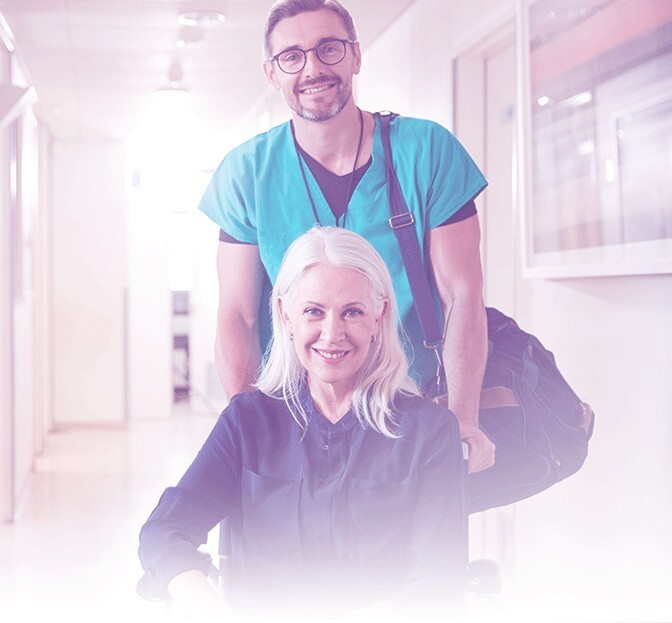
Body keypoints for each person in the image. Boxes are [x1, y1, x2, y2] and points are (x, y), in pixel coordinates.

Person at [202, 0, 495, 472]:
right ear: (271, 73)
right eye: (291, 56)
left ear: (356, 56)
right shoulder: (247, 172)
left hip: (412, 411)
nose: (312, 68)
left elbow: (463, 294)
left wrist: (461, 419)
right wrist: (248, 423)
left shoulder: (426, 152)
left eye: (329, 49)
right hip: (294, 421)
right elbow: (237, 314)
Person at [138, 227, 467, 620]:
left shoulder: (428, 432)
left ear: (379, 317)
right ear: (285, 315)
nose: (332, 334)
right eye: (314, 311)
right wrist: (207, 603)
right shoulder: (247, 422)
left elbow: (440, 579)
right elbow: (164, 531)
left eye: (353, 312)